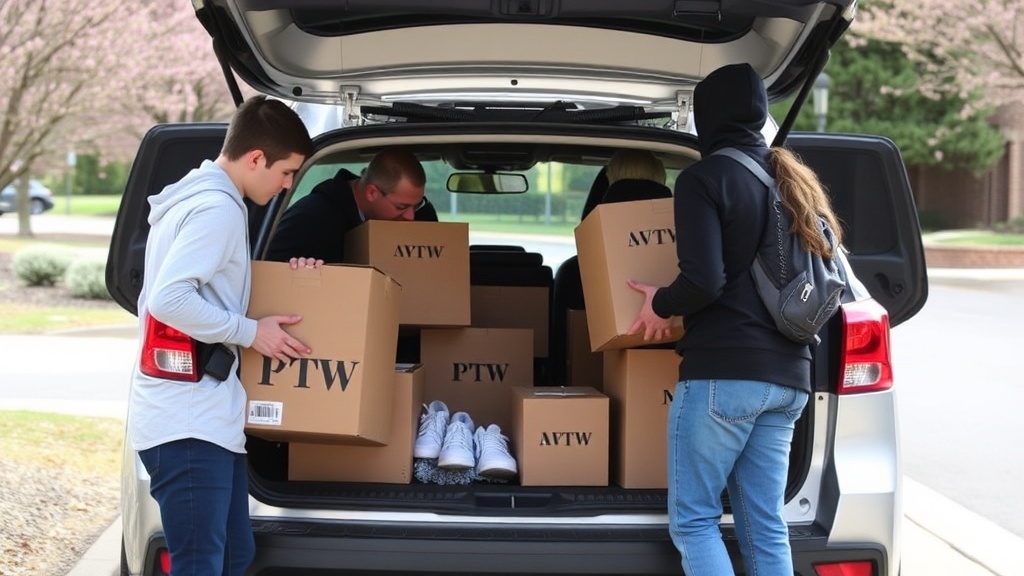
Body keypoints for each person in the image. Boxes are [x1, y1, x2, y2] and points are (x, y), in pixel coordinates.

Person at [626, 63, 844, 575]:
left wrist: (658, 304)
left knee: (695, 522)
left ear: (707, 118)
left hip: (725, 376)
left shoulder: (706, 178)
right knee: (765, 523)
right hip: (790, 379)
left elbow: (704, 280)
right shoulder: (792, 182)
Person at [130, 95, 319, 576]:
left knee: (236, 555)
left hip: (208, 417)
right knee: (202, 564)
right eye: (286, 173)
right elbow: (169, 300)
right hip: (188, 422)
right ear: (256, 158)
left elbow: (217, 291)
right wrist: (252, 333)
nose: (287, 185)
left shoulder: (197, 199)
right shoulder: (216, 209)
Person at [265, 147, 430, 263]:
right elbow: (269, 270)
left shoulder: (424, 216)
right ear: (372, 192)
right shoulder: (311, 219)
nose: (411, 217)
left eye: (416, 205)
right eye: (401, 207)